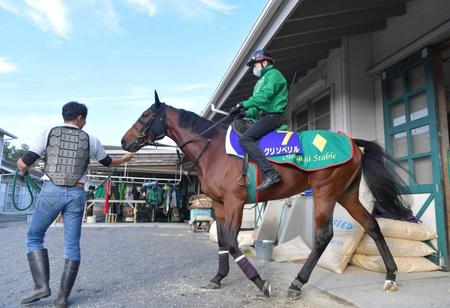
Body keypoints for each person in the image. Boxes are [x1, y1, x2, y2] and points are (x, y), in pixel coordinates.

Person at [17, 102, 133, 307]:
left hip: (51, 191)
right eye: (85, 119)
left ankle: (41, 286)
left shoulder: (48, 133)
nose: (85, 122)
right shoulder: (91, 139)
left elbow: (25, 162)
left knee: (34, 237)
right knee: (72, 245)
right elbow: (107, 162)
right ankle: (62, 297)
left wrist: (22, 170)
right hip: (77, 193)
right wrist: (123, 159)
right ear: (79, 118)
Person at [229, 50, 288, 191]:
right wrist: (243, 113)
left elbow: (265, 97)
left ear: (264, 62)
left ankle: (271, 173)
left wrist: (241, 104)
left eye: (254, 65)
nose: (253, 68)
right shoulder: (258, 83)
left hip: (273, 117)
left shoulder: (274, 75)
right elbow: (256, 108)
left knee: (245, 139)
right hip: (262, 117)